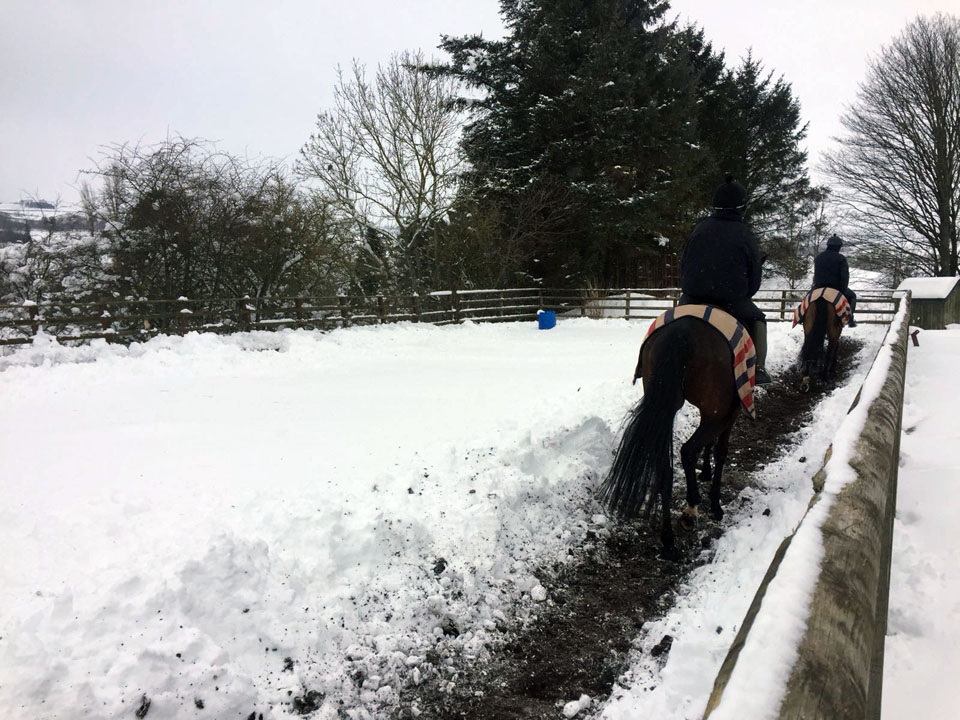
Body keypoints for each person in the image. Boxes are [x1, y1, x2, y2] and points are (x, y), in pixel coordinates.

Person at [678, 175, 772, 384]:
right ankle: (759, 368)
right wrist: (744, 293)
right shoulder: (744, 234)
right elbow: (754, 278)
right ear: (741, 207)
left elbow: (683, 265)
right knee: (758, 319)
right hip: (731, 301)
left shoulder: (699, 229)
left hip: (691, 299)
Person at [813, 234, 857, 327]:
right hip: (835, 288)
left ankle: (801, 316)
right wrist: (843, 289)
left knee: (807, 299)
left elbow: (816, 274)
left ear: (828, 245)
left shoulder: (819, 257)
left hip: (818, 287)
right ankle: (850, 319)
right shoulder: (841, 258)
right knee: (853, 296)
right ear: (838, 247)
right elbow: (845, 277)